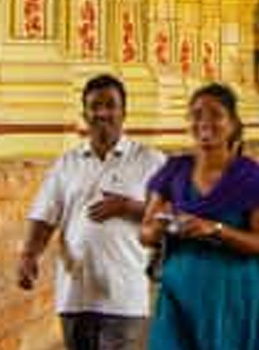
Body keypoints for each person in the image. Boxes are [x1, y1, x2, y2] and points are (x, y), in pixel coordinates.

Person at [18, 74, 169, 350]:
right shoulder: (67, 164)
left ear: (124, 113)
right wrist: (29, 256)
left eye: (110, 105)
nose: (102, 113)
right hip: (75, 296)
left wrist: (128, 206)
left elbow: (170, 216)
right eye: (94, 106)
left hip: (124, 297)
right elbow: (44, 215)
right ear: (84, 114)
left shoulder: (151, 161)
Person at [141, 82, 259, 350]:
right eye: (197, 114)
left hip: (234, 300)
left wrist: (215, 229)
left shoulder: (249, 177)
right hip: (179, 299)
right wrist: (161, 225)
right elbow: (145, 234)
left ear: (233, 124)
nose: (205, 122)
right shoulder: (174, 171)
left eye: (215, 114)